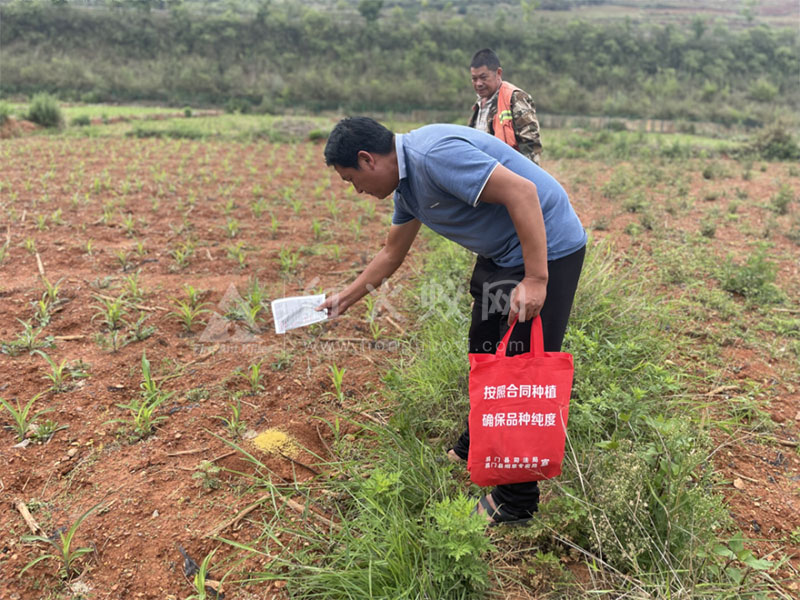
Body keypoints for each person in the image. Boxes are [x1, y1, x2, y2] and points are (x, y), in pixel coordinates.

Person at [319, 117, 586, 525]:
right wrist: (344, 299)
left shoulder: (433, 156)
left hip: (547, 248)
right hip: (502, 254)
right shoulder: (406, 187)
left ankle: (516, 502)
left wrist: (535, 279)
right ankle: (476, 441)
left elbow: (523, 192)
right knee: (483, 350)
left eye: (351, 180)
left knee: (517, 370)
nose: (357, 190)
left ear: (367, 159)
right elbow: (392, 254)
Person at [468, 48, 543, 166]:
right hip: (486, 174)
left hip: (509, 173)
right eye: (474, 79)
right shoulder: (479, 105)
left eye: (483, 77)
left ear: (498, 73)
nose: (478, 83)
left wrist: (523, 180)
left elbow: (531, 146)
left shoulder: (515, 98)